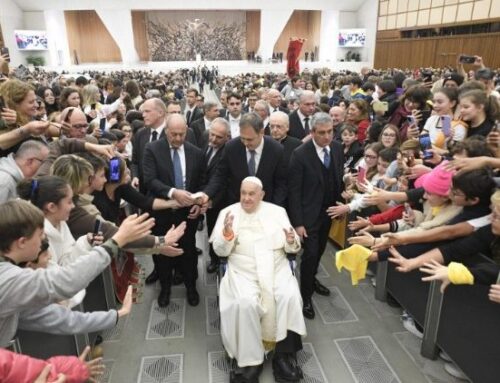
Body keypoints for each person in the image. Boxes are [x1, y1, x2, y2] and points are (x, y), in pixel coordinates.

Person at [211, 177, 306, 383]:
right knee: (245, 303)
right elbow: (219, 251)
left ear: (262, 195)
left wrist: (291, 242)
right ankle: (250, 362)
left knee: (288, 296)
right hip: (243, 270)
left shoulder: (277, 211)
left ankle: (282, 356)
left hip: (276, 267)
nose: (246, 198)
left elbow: (292, 245)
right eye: (243, 193)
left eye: (251, 194)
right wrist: (226, 235)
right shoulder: (227, 213)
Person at [143, 113, 206, 307]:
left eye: (181, 134)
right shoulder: (152, 149)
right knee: (162, 253)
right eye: (174, 134)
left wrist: (197, 203)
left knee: (188, 252)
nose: (178, 138)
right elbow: (150, 180)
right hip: (161, 213)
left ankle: (191, 286)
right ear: (166, 131)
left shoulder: (196, 152)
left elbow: (202, 182)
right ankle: (165, 288)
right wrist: (173, 193)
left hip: (187, 215)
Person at [288, 112, 344, 319]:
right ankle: (305, 296)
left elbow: (337, 177)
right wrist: (298, 223)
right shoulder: (300, 154)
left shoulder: (337, 149)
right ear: (312, 133)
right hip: (308, 215)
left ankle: (311, 280)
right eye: (321, 133)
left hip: (329, 212)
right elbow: (294, 192)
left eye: (330, 132)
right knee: (310, 255)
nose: (327, 137)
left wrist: (342, 199)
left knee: (319, 250)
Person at [203, 112, 288, 209]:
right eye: (243, 138)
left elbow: (280, 184)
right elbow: (220, 175)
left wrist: (274, 209)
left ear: (261, 132)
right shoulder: (231, 147)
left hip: (265, 207)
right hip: (237, 206)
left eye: (250, 139)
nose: (246, 143)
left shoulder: (276, 150)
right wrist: (207, 194)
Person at [204, 118, 231, 273]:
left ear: (227, 137)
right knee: (211, 231)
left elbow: (226, 181)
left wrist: (212, 201)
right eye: (212, 134)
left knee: (220, 231)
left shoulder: (229, 152)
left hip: (220, 202)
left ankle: (221, 259)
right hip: (206, 197)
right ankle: (214, 258)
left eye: (219, 137)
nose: (213, 139)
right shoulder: (204, 141)